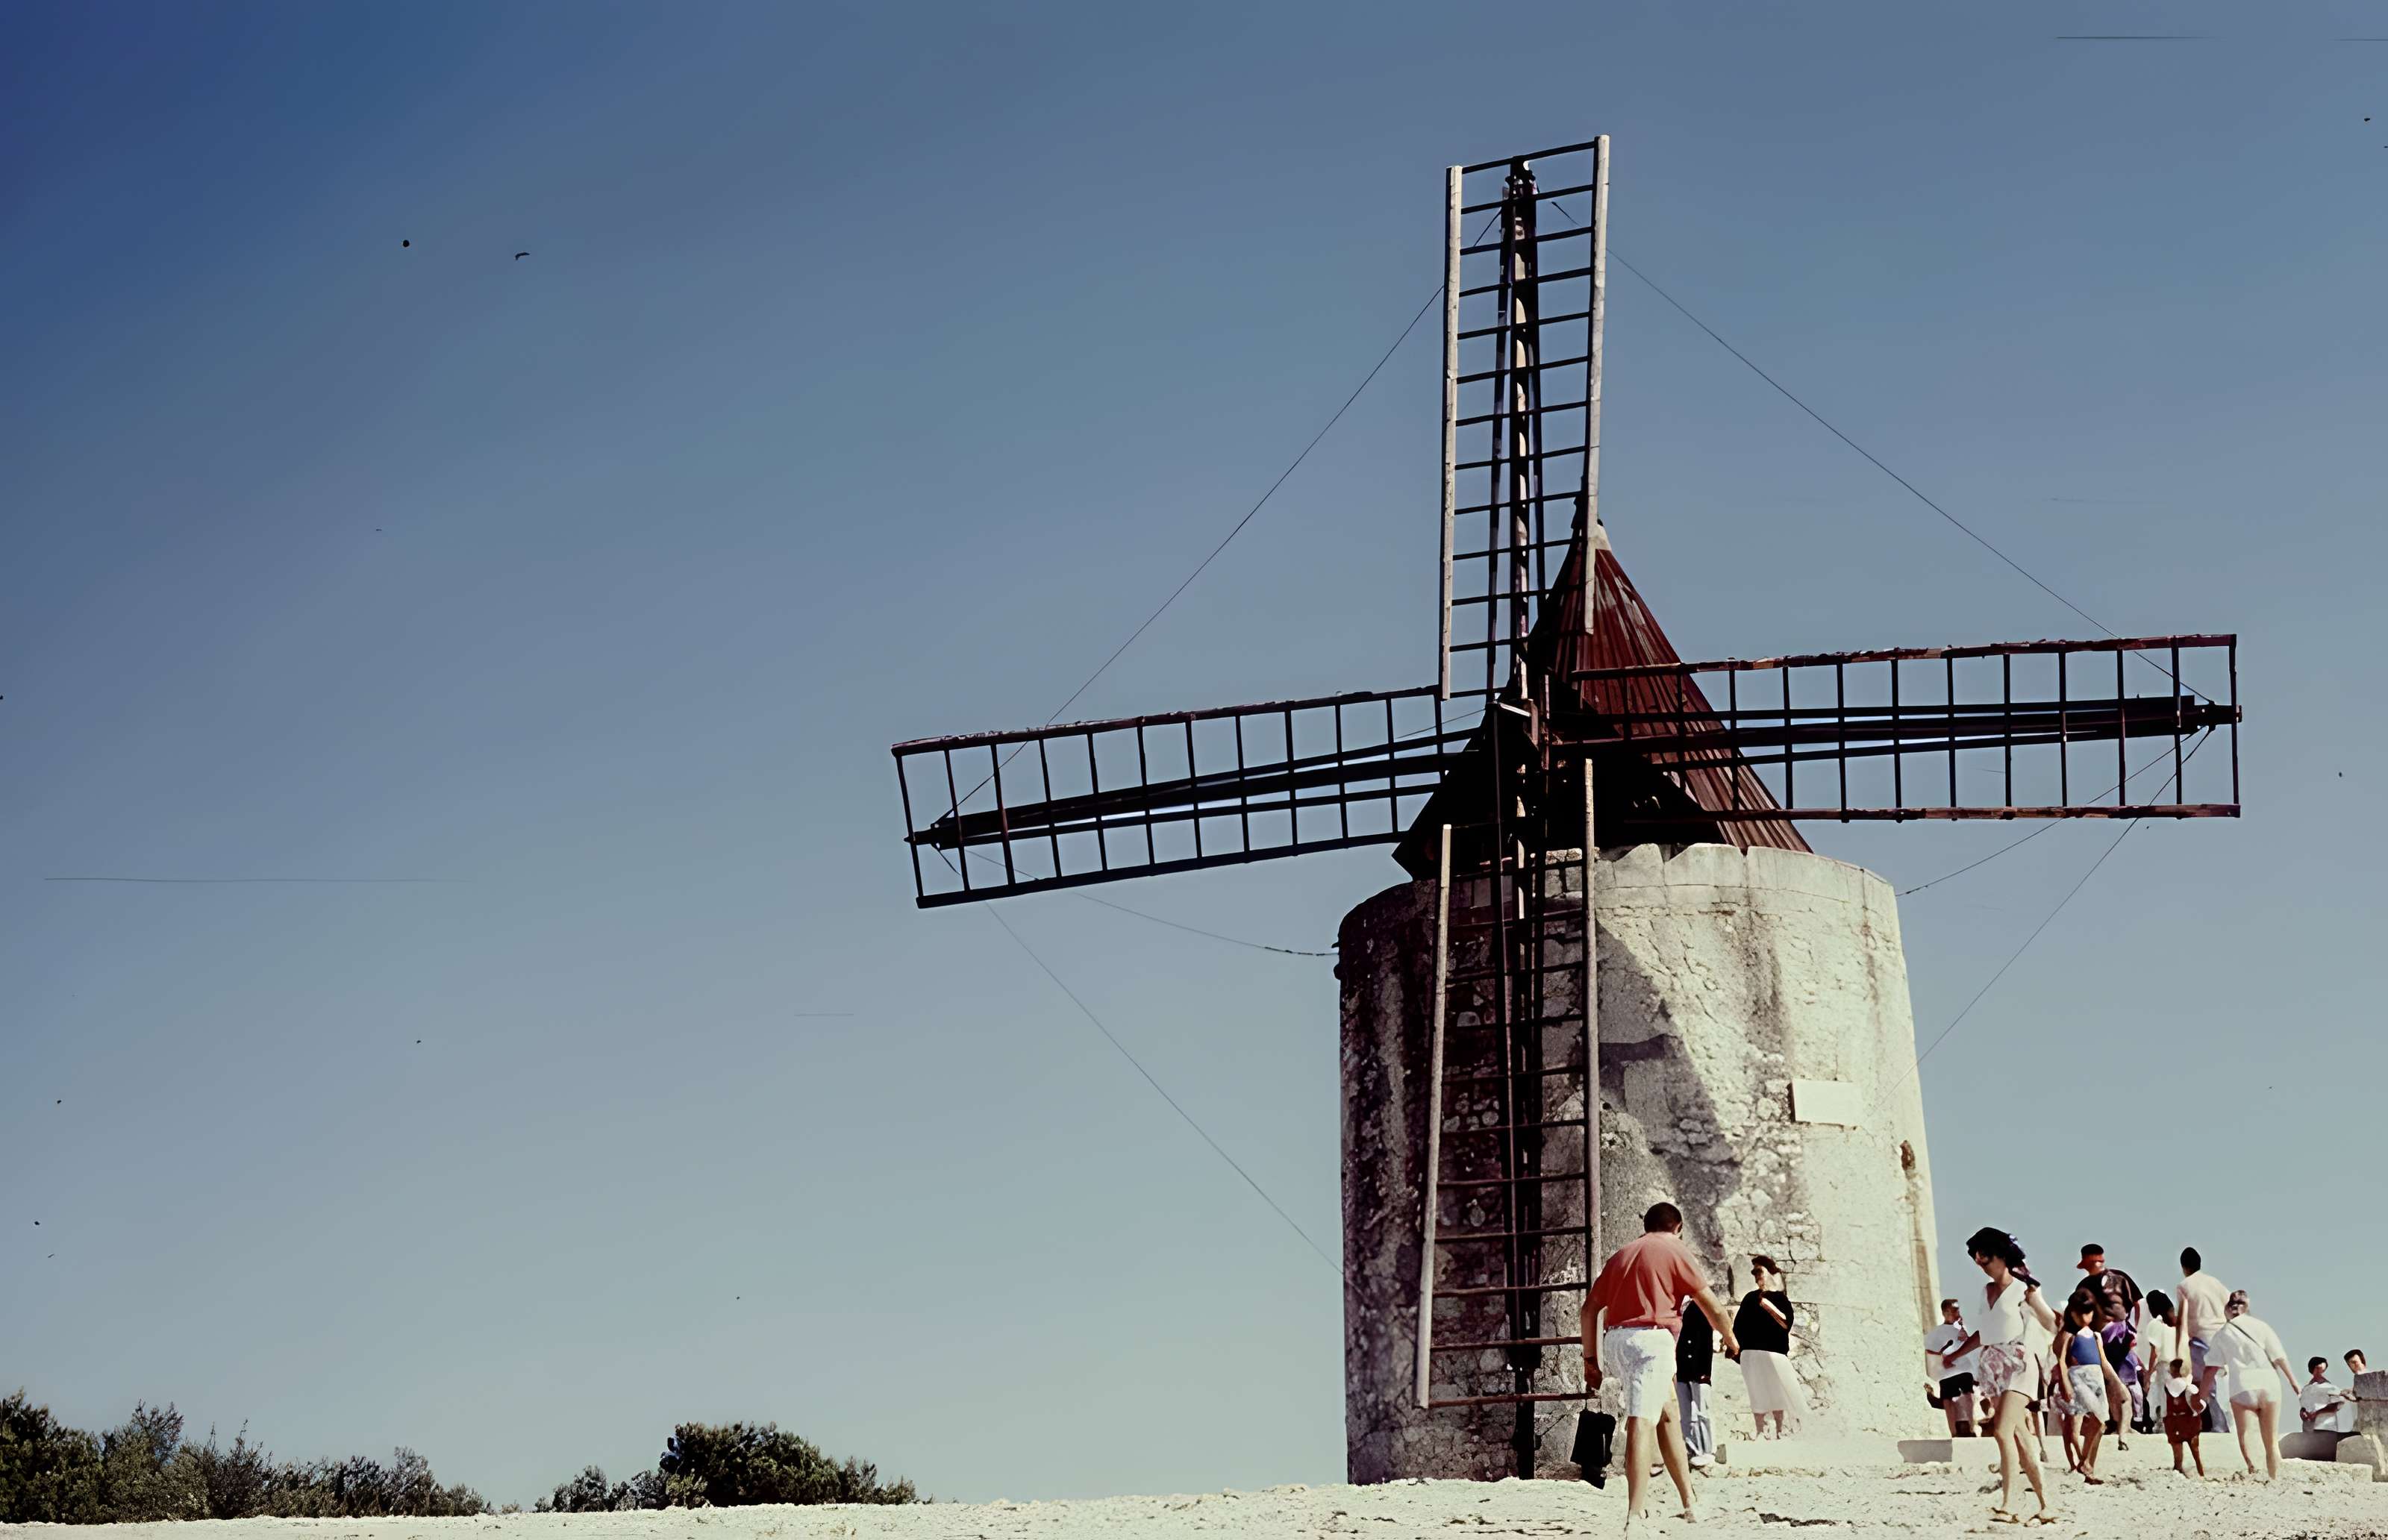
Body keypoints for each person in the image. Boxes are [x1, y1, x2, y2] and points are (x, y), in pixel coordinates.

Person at [1584, 1202, 1739, 1530]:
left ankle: (1689, 1503)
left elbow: (1589, 1310)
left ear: (1646, 1225)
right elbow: (1709, 1304)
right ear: (1678, 1227)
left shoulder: (1621, 1255)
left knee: (1668, 1414)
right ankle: (1634, 1517)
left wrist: (1590, 1362)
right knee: (1641, 1421)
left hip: (1616, 1342)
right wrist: (1730, 1337)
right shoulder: (1674, 1249)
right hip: (1652, 1342)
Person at [1966, 1226, 2060, 1526]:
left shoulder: (2024, 1289)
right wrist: (1955, 1356)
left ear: (1996, 1255)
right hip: (1992, 1363)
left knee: (2002, 1431)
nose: (1979, 1262)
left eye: (1982, 1257)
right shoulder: (1985, 1291)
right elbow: (1985, 1331)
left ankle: (2010, 1504)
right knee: (2020, 1437)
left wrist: (2037, 1299)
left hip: (2018, 1362)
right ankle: (2048, 1504)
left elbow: (2052, 1325)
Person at [2204, 1288, 2295, 1480]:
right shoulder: (2261, 1327)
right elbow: (2279, 1358)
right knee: (2271, 1441)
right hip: (2269, 1383)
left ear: (2228, 1310)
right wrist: (2294, 1384)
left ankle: (2255, 1471)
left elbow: (2211, 1368)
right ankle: (2274, 1478)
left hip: (2242, 1386)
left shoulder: (2223, 1333)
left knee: (2246, 1435)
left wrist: (2201, 1394)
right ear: (2247, 1307)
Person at [2054, 1296, 2125, 1482]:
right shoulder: (2069, 1335)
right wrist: (2066, 1384)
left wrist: (2116, 1383)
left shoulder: (2096, 1336)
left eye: (2088, 1312)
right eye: (2081, 1312)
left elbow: (2103, 1361)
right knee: (2081, 1424)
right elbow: (2061, 1362)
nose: (2085, 1316)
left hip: (2097, 1379)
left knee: (2101, 1423)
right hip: (2079, 1377)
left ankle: (2086, 1464)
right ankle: (2081, 1462)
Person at [2076, 1245, 2143, 1439]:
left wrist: (2134, 1329)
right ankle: (2120, 1423)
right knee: (2112, 1381)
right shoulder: (2092, 1284)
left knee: (2121, 1380)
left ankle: (2125, 1424)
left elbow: (2138, 1303)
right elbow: (2138, 1304)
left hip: (2114, 1336)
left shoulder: (2116, 1279)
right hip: (2105, 1338)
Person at [1735, 1254, 1805, 1439]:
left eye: (1759, 1271)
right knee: (1756, 1392)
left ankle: (1781, 1430)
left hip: (1774, 1353)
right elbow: (1738, 1326)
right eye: (1754, 1273)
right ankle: (1761, 1431)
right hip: (1751, 1354)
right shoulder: (1749, 1299)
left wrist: (1766, 1304)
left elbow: (1785, 1323)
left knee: (1778, 1391)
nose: (1757, 1276)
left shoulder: (1781, 1299)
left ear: (1770, 1272)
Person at [2175, 1248, 2233, 1433]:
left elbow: (2181, 1322)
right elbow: (2232, 1308)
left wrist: (2179, 1351)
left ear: (2184, 1267)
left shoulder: (2184, 1286)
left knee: (2205, 1384)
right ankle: (2218, 1424)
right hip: (2223, 1336)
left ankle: (2218, 1425)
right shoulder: (2216, 1283)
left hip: (2202, 1339)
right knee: (2219, 1381)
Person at [1674, 1277, 1719, 1469]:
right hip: (1682, 1369)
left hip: (1698, 1369)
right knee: (1685, 1414)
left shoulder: (1699, 1308)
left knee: (1702, 1412)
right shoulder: (1676, 1311)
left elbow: (1706, 1343)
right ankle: (1691, 1449)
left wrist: (1704, 1372)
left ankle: (1707, 1451)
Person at [1925, 1298, 1981, 1436]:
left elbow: (1970, 1345)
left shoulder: (1961, 1328)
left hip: (1964, 1370)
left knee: (1968, 1396)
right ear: (1945, 1312)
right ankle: (1954, 1432)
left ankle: (1971, 1427)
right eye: (1954, 1310)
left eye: (1958, 1309)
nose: (1958, 1312)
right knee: (1948, 1400)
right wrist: (1941, 1357)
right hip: (1947, 1373)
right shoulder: (1937, 1332)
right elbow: (1929, 1350)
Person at [2137, 1290, 2181, 1435]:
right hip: (2179, 1365)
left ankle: (2161, 1423)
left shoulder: (2156, 1324)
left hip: (2163, 1366)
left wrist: (2148, 1374)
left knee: (2160, 1396)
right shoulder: (2176, 1324)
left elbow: (2154, 1351)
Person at [2160, 1356, 2207, 1478]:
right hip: (2188, 1422)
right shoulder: (2190, 1388)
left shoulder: (2166, 1387)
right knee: (2195, 1451)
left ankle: (2179, 1470)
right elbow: (2200, 1406)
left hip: (2174, 1421)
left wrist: (2163, 1418)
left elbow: (2162, 1405)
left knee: (2178, 1448)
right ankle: (2200, 1472)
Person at [2299, 1356, 2354, 1437]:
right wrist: (2302, 1413)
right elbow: (2303, 1407)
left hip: (2326, 1428)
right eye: (2318, 1368)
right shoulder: (2306, 1389)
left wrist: (2316, 1413)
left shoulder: (2330, 1387)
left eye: (2323, 1370)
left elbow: (2335, 1406)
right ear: (2312, 1369)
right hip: (2308, 1430)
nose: (2321, 1372)